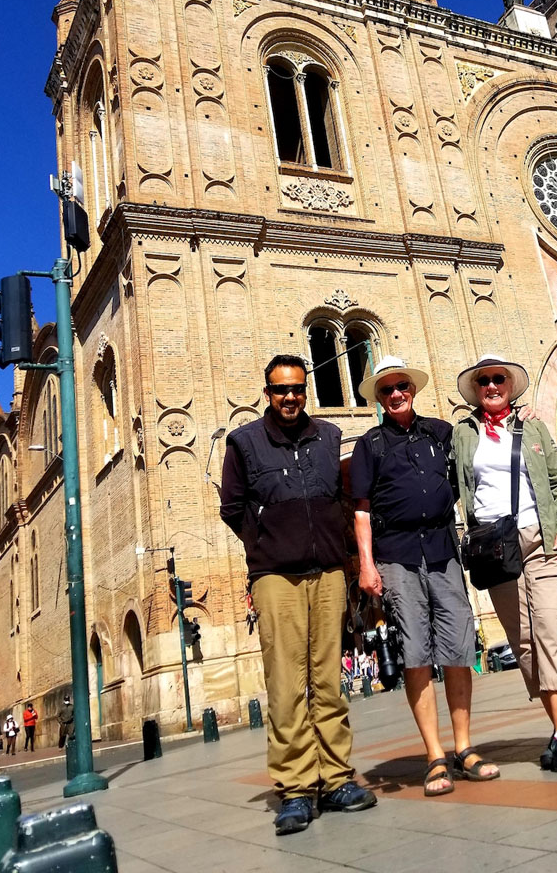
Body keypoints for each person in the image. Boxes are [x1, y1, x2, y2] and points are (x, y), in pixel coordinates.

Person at [220, 354, 377, 835]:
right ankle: (294, 788)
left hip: (328, 572)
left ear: (304, 389)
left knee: (330, 681)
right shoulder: (244, 442)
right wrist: (268, 542)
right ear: (267, 393)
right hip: (277, 577)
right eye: (279, 389)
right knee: (287, 685)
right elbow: (232, 507)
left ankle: (335, 779)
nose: (289, 396)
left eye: (296, 388)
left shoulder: (329, 437)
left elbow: (339, 498)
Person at [352, 356, 499, 797]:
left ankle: (465, 748)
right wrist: (366, 564)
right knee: (415, 653)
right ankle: (435, 755)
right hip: (396, 556)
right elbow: (361, 510)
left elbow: (474, 464)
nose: (396, 394)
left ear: (412, 390)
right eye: (386, 390)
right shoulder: (370, 445)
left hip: (442, 551)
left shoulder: (440, 432)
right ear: (378, 397)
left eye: (402, 387)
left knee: (457, 647)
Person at [452, 354, 557, 776]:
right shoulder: (462, 433)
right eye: (485, 382)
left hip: (542, 537)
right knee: (525, 641)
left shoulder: (533, 425)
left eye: (500, 379)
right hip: (495, 547)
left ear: (511, 386)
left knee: (553, 628)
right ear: (476, 391)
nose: (493, 386)